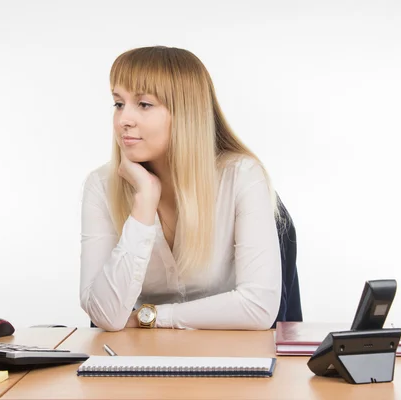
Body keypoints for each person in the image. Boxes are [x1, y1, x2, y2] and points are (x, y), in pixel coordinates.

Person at [79, 46, 282, 331]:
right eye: (118, 103)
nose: (124, 119)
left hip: (228, 357)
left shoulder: (242, 177)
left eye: (144, 104)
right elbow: (107, 316)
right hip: (136, 360)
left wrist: (150, 317)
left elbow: (258, 307)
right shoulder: (100, 186)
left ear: (185, 113)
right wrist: (144, 202)